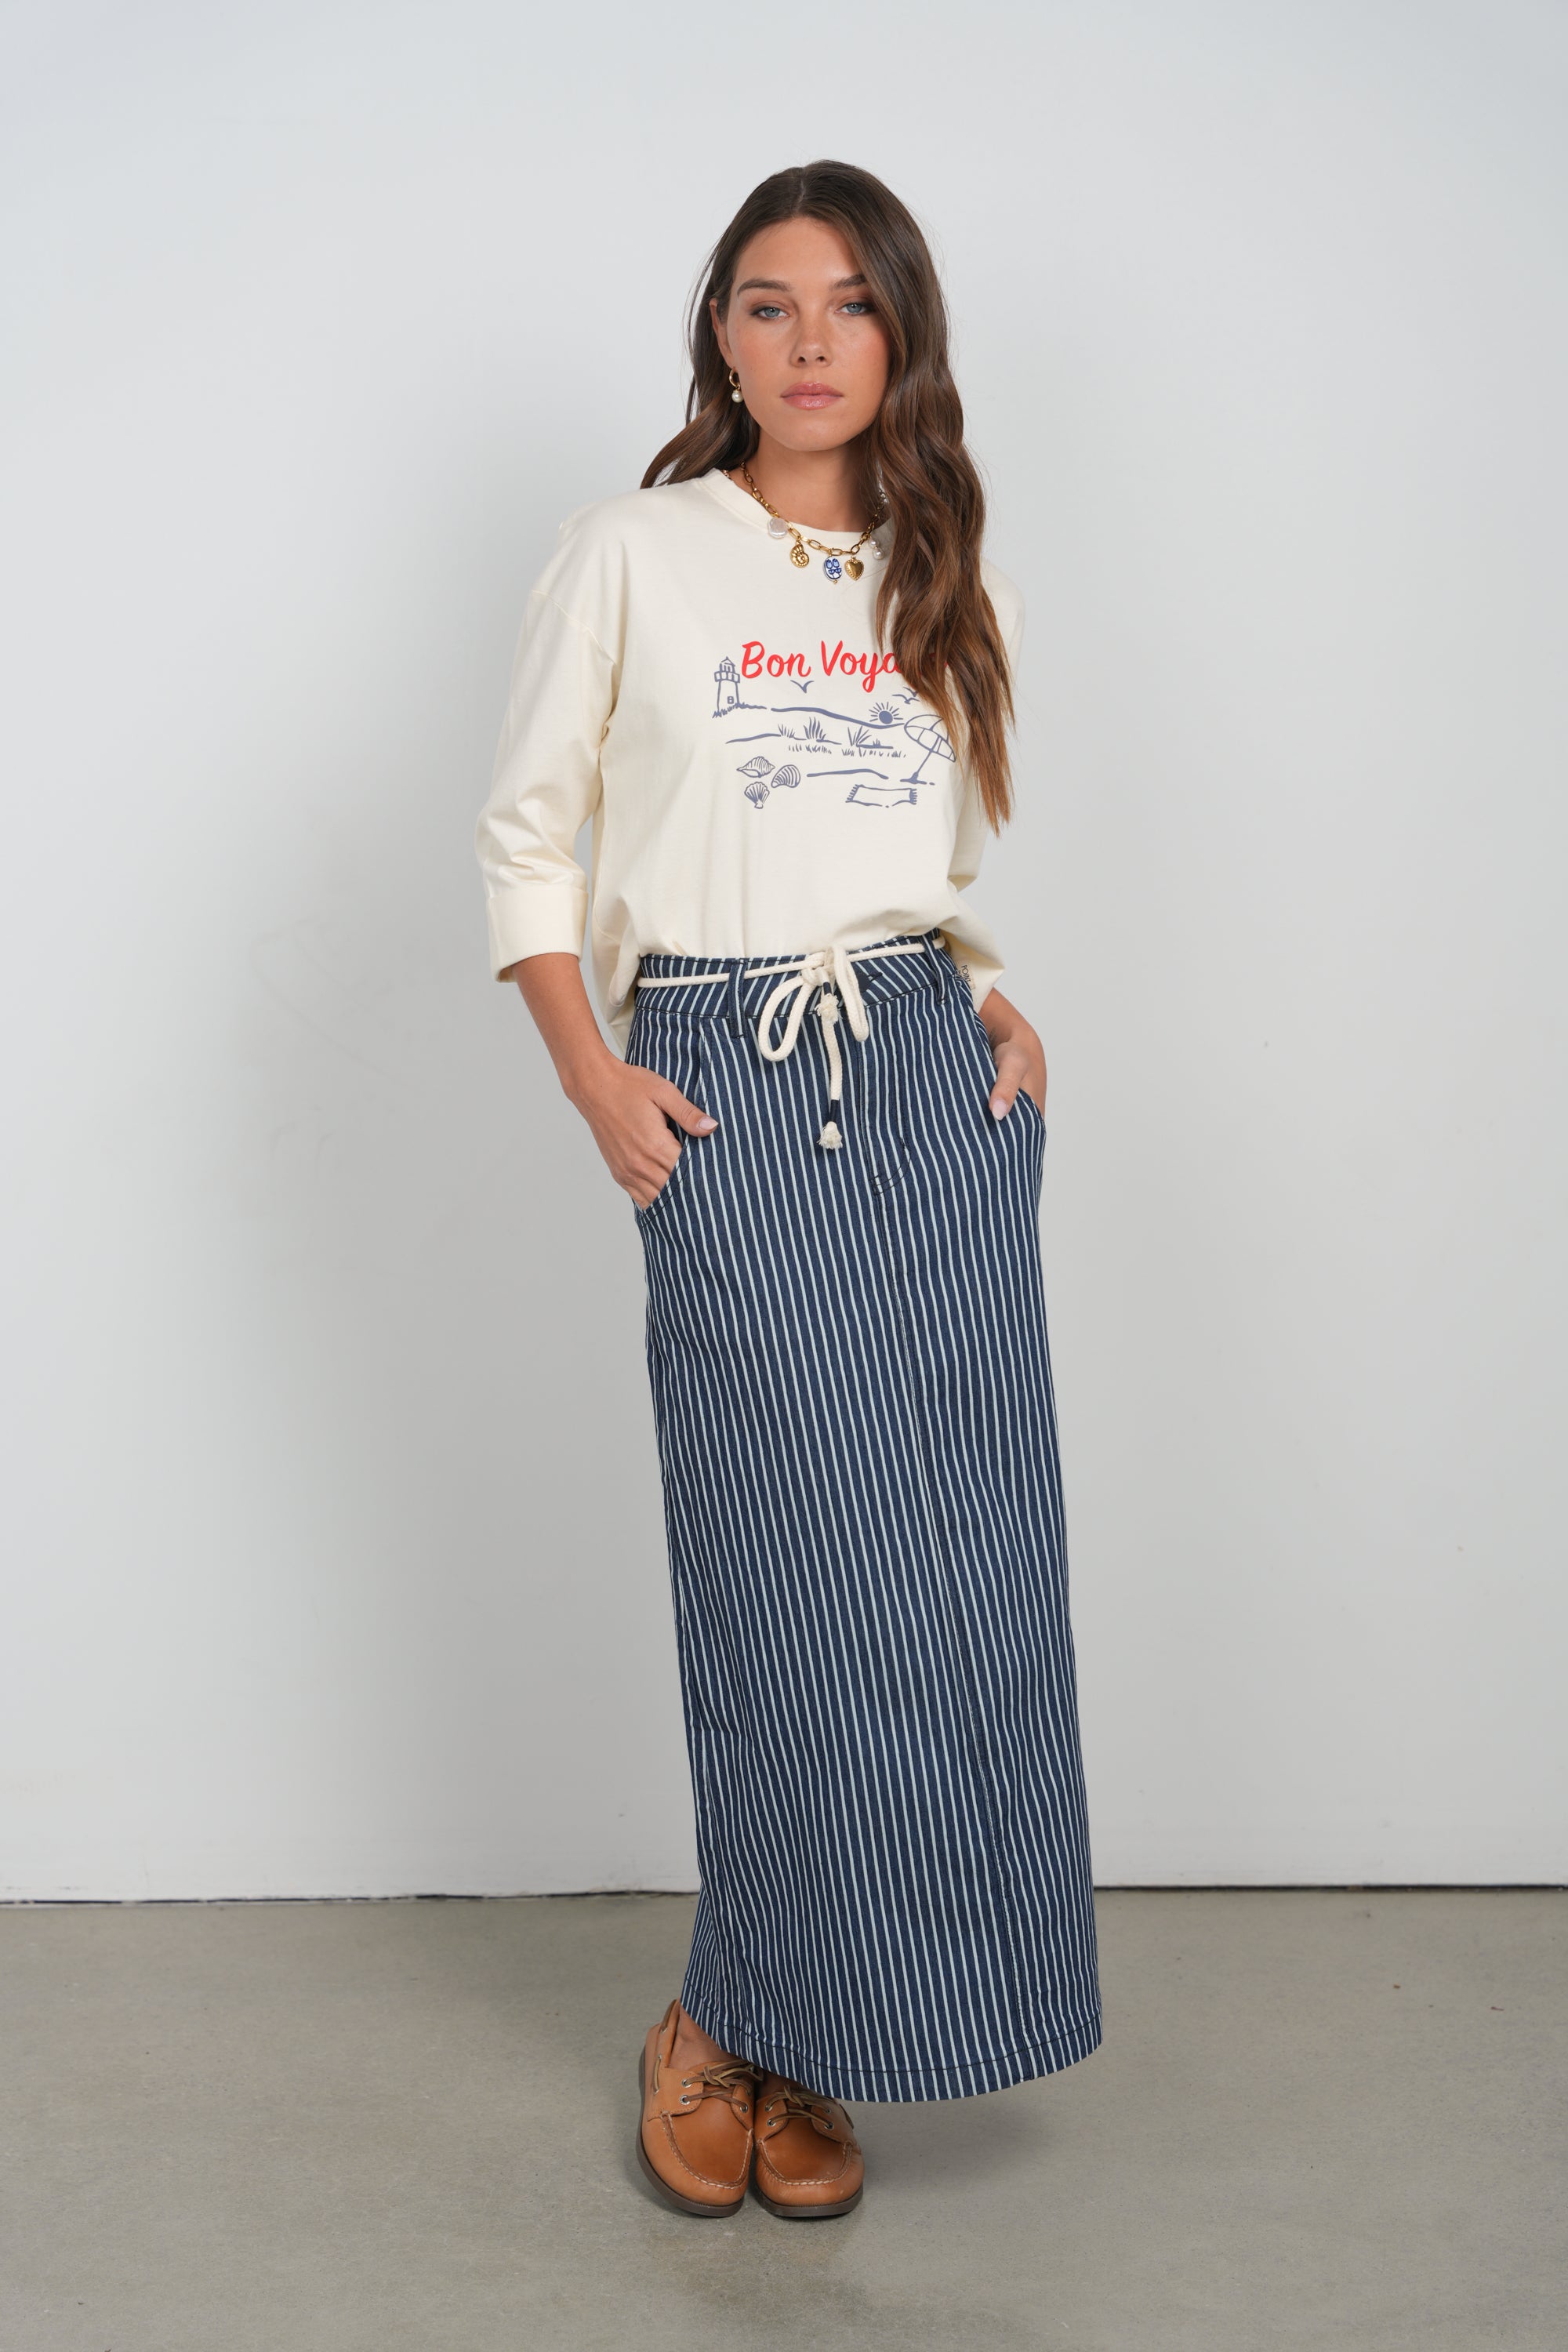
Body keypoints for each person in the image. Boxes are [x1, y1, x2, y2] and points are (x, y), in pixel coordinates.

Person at [474, 160, 1100, 2223]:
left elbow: (936, 858)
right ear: (720, 339)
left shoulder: (947, 574)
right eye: (768, 302)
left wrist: (987, 994)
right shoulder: (633, 552)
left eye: (850, 303)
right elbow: (526, 838)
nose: (811, 340)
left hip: (927, 1075)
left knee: (954, 1577)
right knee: (778, 1575)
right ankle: (722, 2016)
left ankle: (812, 2036)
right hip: (724, 1075)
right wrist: (593, 1076)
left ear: (903, 335)